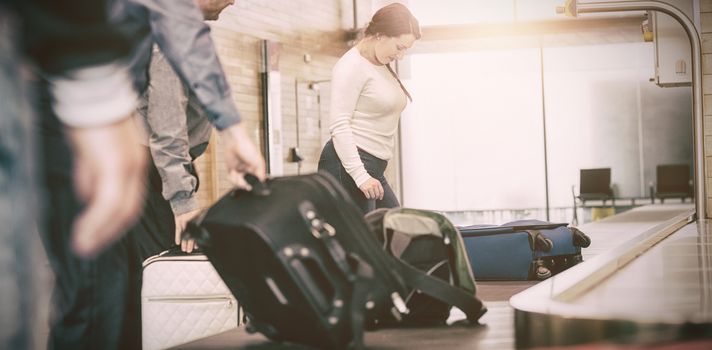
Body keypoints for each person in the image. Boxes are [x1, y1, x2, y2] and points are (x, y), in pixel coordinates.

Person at [36, 0, 265, 348]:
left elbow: (189, 43)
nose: (234, 1)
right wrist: (183, 200)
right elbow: (166, 123)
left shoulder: (178, 22)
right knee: (100, 289)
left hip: (132, 155)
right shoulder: (161, 25)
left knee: (130, 286)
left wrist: (232, 129)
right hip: (79, 142)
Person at [318, 3, 421, 214]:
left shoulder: (380, 63)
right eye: (399, 47)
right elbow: (339, 125)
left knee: (395, 230)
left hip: (371, 167)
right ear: (381, 35)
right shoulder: (351, 66)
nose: (401, 56)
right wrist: (360, 175)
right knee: (365, 241)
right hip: (348, 166)